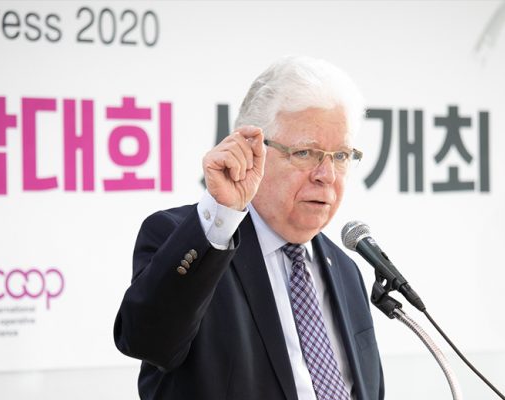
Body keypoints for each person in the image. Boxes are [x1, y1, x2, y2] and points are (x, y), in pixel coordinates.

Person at [114, 56, 384, 400]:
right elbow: (146, 340)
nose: (326, 175)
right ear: (250, 149)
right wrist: (221, 215)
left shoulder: (345, 269)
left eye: (341, 156)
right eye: (305, 153)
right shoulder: (187, 239)